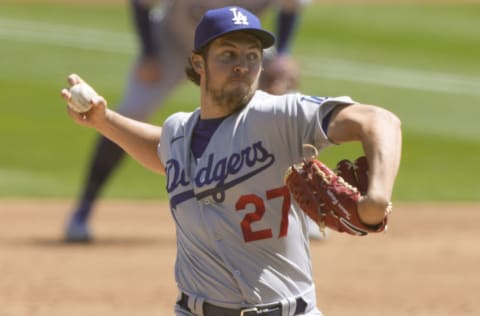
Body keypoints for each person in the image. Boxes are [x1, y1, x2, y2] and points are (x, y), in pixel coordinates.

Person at [61, 6, 402, 314]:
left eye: (253, 55)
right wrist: (104, 121)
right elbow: (164, 152)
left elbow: (380, 120)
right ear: (199, 63)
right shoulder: (178, 131)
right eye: (227, 54)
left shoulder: (281, 114)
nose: (243, 64)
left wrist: (378, 197)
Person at [65, 0, 305, 242]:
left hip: (236, 54)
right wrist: (149, 53)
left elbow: (291, 7)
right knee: (131, 112)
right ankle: (83, 210)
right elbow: (142, 3)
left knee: (286, 107)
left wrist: (282, 54)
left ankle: (298, 209)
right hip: (170, 45)